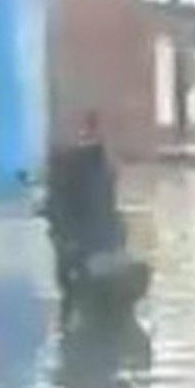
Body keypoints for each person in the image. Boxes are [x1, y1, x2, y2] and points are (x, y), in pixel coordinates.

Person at [45, 112, 144, 317]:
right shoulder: (96, 166)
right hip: (95, 247)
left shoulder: (73, 166)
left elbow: (59, 212)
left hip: (86, 250)